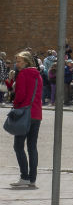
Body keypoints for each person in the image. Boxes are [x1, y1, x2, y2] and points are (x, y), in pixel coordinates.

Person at [9, 50, 43, 188]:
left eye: (19, 61)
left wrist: (15, 106)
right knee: (32, 147)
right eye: (16, 61)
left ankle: (24, 177)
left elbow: (21, 95)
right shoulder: (38, 76)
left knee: (18, 146)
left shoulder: (23, 74)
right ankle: (32, 179)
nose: (17, 64)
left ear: (26, 62)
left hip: (24, 114)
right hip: (36, 114)